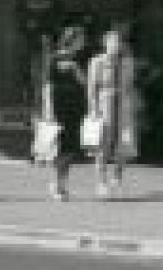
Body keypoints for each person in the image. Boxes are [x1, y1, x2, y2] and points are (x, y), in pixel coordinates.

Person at [85, 29, 142, 198]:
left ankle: (117, 179)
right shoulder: (97, 61)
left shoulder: (128, 62)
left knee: (124, 144)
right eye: (112, 42)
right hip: (105, 103)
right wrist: (93, 109)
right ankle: (101, 183)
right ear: (105, 44)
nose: (115, 45)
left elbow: (131, 85)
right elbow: (91, 87)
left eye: (118, 42)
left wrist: (133, 106)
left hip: (123, 104)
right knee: (102, 144)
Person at [41, 27, 90, 201]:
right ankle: (56, 185)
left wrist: (76, 69)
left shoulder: (79, 59)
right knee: (58, 148)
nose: (83, 43)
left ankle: (62, 184)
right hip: (58, 108)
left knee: (70, 148)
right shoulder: (53, 58)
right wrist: (48, 111)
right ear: (72, 39)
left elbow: (85, 83)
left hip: (74, 108)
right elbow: (47, 85)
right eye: (81, 39)